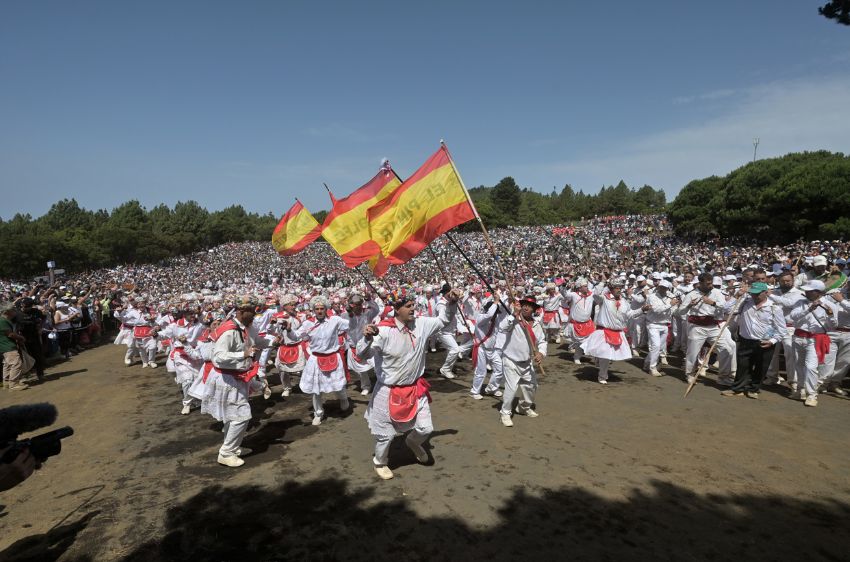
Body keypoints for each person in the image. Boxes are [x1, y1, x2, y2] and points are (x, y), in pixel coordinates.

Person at [356, 288, 461, 480]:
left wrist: (452, 303)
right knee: (385, 435)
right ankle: (380, 462)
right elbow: (362, 355)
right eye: (408, 306)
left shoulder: (422, 324)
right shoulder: (383, 331)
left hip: (415, 388)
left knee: (426, 429)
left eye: (413, 305)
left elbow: (443, 321)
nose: (413, 309)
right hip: (388, 391)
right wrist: (366, 338)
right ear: (397, 309)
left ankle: (413, 442)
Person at [198, 296, 261, 467]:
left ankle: (231, 447)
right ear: (241, 312)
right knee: (241, 415)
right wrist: (244, 354)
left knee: (231, 415)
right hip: (227, 378)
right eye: (252, 311)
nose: (255, 314)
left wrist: (273, 341)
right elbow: (218, 357)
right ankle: (226, 453)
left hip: (235, 377)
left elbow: (256, 342)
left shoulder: (243, 327)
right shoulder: (230, 330)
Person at [284, 295, 350, 426]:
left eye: (322, 308)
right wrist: (289, 329)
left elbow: (350, 324)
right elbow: (296, 336)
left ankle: (344, 399)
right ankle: (318, 413)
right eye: (317, 309)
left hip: (333, 356)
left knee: (339, 384)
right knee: (316, 389)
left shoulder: (335, 320)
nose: (319, 311)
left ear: (326, 309)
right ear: (313, 310)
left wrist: (353, 311)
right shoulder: (308, 323)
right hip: (316, 359)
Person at [721, 282, 786, 399]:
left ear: (765, 293)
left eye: (757, 294)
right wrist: (737, 296)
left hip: (765, 342)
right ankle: (738, 388)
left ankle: (753, 388)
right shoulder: (745, 302)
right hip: (746, 340)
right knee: (742, 366)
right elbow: (726, 309)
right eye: (752, 294)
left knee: (761, 367)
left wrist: (772, 341)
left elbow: (781, 329)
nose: (754, 296)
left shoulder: (774, 307)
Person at [676, 272, 736, 385]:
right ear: (700, 283)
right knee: (692, 352)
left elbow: (724, 306)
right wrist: (689, 305)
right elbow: (680, 311)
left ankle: (723, 377)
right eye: (708, 284)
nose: (710, 286)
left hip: (713, 325)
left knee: (727, 348)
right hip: (697, 327)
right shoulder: (691, 294)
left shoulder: (717, 293)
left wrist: (712, 303)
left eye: (711, 283)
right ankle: (689, 374)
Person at [582, 279, 643, 384]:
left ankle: (600, 363)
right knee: (605, 355)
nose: (619, 290)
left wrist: (642, 310)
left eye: (620, 288)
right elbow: (595, 294)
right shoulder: (604, 299)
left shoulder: (624, 302)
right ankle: (602, 376)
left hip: (618, 332)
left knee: (610, 356)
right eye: (616, 288)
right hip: (604, 331)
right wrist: (602, 281)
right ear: (611, 289)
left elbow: (629, 314)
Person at [497, 295, 546, 426]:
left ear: (534, 310)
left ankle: (523, 408)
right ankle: (505, 413)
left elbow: (542, 342)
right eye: (524, 304)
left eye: (529, 306)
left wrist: (541, 353)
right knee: (511, 389)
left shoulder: (536, 324)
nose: (525, 307)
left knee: (531, 387)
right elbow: (502, 328)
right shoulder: (514, 320)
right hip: (511, 360)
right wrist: (513, 315)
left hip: (527, 362)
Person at [789, 280, 838, 407]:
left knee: (811, 367)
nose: (806, 292)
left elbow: (833, 326)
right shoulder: (800, 302)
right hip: (798, 337)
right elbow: (793, 317)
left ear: (819, 292)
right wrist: (809, 309)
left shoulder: (829, 305)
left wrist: (830, 315)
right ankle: (800, 390)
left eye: (810, 291)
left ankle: (812, 394)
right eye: (806, 290)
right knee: (798, 365)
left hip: (815, 339)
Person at [642, 280, 680, 377]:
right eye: (661, 287)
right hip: (653, 324)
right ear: (658, 287)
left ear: (668, 288)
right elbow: (656, 310)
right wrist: (670, 305)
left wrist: (674, 306)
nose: (662, 289)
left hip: (664, 325)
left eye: (664, 287)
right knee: (656, 346)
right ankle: (652, 368)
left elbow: (674, 309)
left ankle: (647, 364)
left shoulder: (671, 297)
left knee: (659, 348)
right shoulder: (652, 297)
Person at [1, 303, 29, 390]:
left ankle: (7, 383)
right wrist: (21, 337)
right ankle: (14, 384)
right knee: (16, 363)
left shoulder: (3, 320)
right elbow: (10, 334)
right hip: (7, 345)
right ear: (8, 312)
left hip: (4, 346)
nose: (15, 312)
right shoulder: (3, 321)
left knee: (8, 364)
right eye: (13, 310)